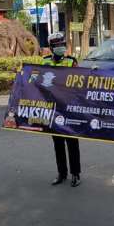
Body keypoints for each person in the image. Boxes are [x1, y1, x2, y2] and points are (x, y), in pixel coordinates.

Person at [43, 32, 81, 188]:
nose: (61, 47)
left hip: (68, 107)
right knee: (57, 143)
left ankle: (76, 174)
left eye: (62, 45)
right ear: (52, 48)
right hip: (53, 108)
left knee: (72, 142)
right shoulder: (44, 62)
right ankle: (62, 173)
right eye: (57, 45)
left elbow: (80, 81)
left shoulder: (71, 61)